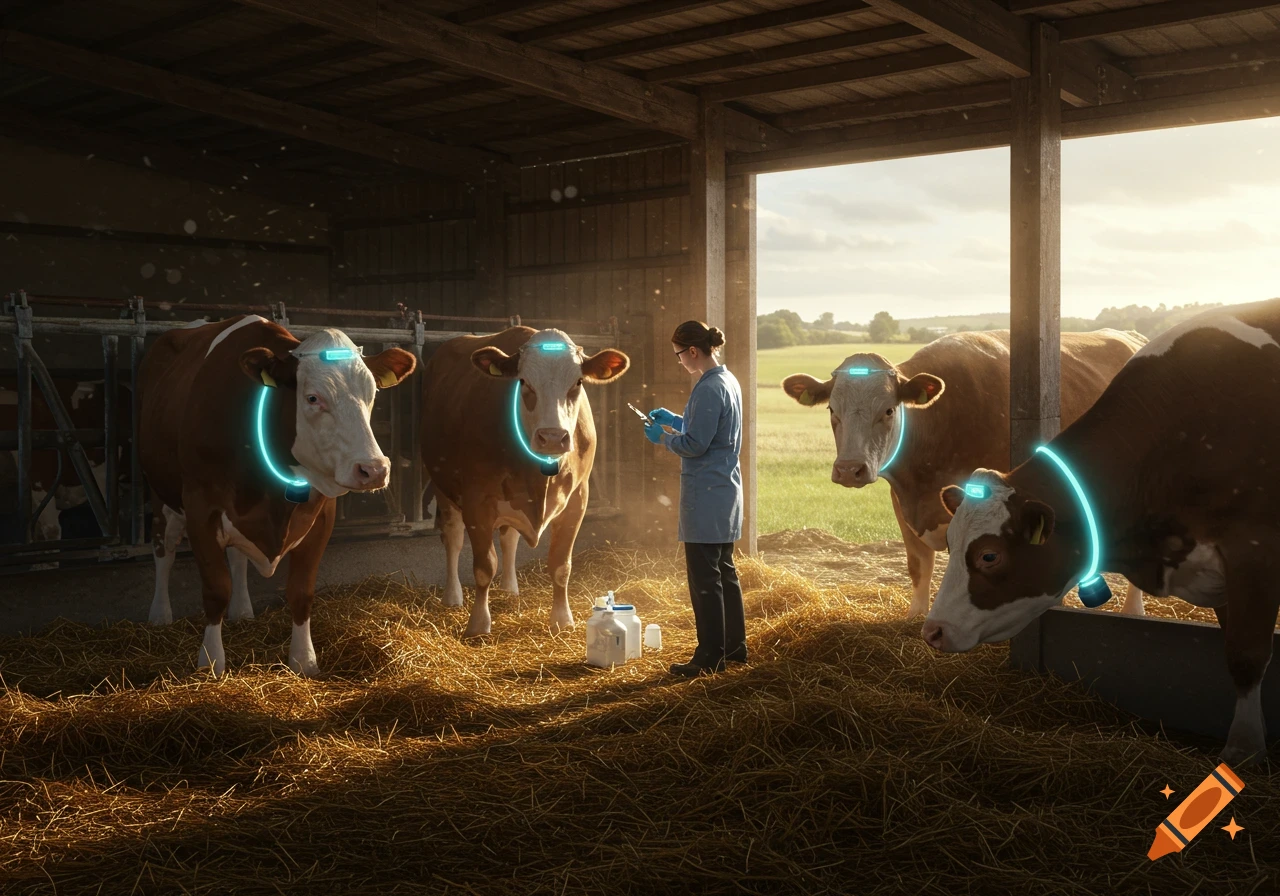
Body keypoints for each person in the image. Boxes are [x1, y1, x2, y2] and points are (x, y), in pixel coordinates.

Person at [644, 320, 746, 677]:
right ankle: (735, 648)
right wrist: (675, 418)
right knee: (725, 573)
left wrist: (663, 437)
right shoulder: (727, 380)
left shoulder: (706, 388)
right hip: (725, 491)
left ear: (692, 351)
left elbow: (696, 444)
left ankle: (708, 657)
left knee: (705, 581)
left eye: (678, 355)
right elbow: (711, 428)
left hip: (706, 494)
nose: (679, 362)